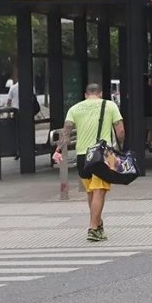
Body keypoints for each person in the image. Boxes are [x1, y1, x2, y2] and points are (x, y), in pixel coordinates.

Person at [53, 83, 125, 242]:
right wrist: (119, 148)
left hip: (81, 156)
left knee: (91, 192)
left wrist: (58, 150)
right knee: (99, 191)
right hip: (101, 155)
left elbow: (65, 133)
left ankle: (98, 224)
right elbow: (120, 131)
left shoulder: (75, 108)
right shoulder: (110, 105)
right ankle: (93, 228)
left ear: (86, 95)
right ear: (100, 94)